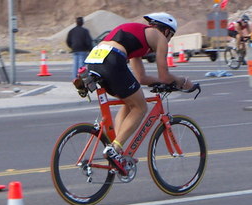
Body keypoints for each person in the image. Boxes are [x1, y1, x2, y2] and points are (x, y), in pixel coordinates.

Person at [81, 12, 194, 166]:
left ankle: (116, 149)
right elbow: (165, 76)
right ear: (167, 31)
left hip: (95, 60)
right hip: (112, 59)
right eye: (170, 36)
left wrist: (158, 82)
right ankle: (114, 148)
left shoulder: (138, 37)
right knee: (140, 107)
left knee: (130, 102)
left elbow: (141, 78)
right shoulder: (159, 37)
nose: (168, 40)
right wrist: (184, 82)